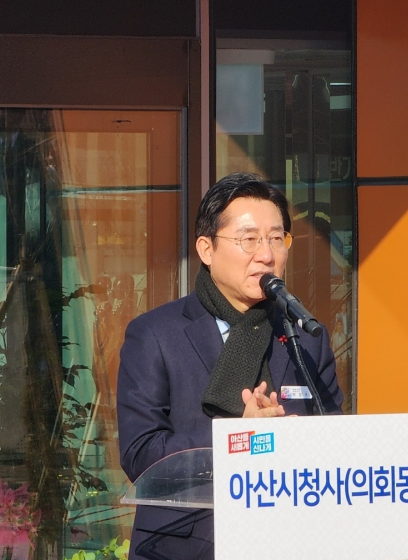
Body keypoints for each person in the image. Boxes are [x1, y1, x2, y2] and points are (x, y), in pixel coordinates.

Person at [117, 172, 344, 560]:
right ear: (206, 249)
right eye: (249, 239)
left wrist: (294, 441)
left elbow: (337, 444)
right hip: (184, 547)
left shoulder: (305, 337)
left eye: (277, 239)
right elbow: (141, 455)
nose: (267, 255)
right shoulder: (155, 334)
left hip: (289, 542)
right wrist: (239, 438)